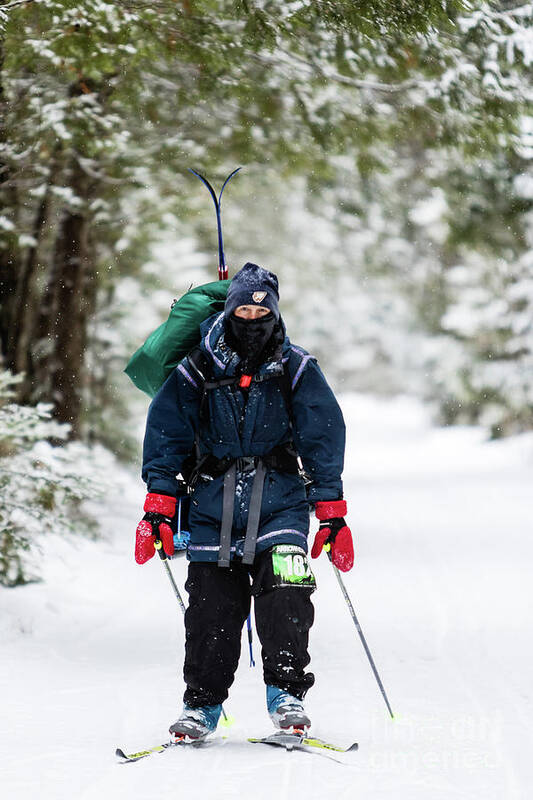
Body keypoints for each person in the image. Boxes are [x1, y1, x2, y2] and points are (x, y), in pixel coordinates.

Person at [135, 262, 354, 740]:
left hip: (282, 502)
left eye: (262, 309)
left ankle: (288, 696)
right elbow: (166, 431)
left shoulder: (295, 367)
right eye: (243, 309)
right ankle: (202, 707)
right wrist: (158, 504)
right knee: (212, 608)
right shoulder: (199, 366)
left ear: (274, 313)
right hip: (212, 505)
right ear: (231, 310)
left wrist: (332, 513)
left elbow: (324, 434)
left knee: (287, 594)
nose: (252, 318)